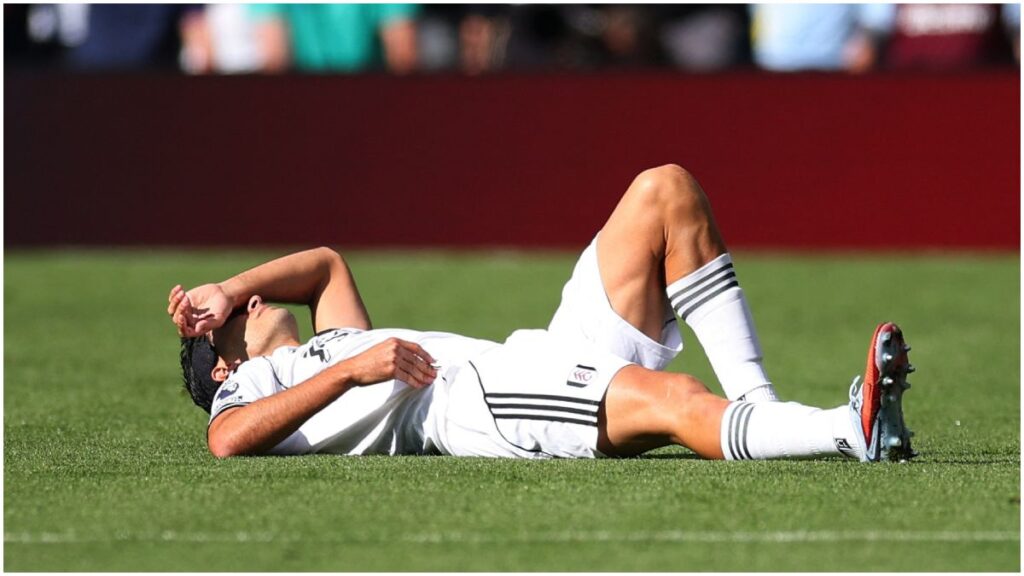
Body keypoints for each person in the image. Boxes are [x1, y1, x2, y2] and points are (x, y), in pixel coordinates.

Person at [168, 164, 916, 462]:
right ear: (224, 367)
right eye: (231, 322)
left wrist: (225, 291)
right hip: (478, 402)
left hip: (528, 355)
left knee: (665, 192)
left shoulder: (327, 342)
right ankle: (846, 431)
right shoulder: (255, 383)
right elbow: (226, 440)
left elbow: (326, 263)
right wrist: (350, 372)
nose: (255, 302)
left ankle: (764, 406)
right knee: (677, 400)